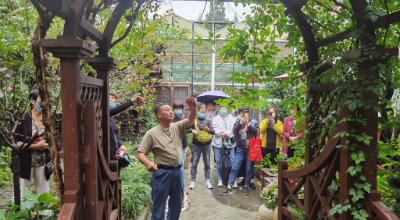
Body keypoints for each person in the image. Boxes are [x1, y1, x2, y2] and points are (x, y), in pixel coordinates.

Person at [137, 97, 196, 220]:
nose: (171, 112)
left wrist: (194, 108)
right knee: (159, 207)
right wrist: (148, 163)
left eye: (171, 110)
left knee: (176, 206)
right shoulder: (151, 133)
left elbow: (190, 120)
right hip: (162, 173)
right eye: (167, 110)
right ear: (159, 115)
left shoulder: (177, 127)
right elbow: (141, 153)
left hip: (177, 172)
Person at [15, 89, 51, 201]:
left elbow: (55, 139)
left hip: (43, 162)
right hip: (26, 162)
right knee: (22, 193)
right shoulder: (23, 119)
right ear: (33, 101)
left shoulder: (48, 120)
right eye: (41, 100)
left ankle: (46, 217)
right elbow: (16, 143)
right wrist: (36, 146)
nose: (44, 104)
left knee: (44, 195)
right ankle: (20, 217)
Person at [221, 108, 257, 196]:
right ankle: (229, 187)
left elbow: (256, 132)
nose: (244, 115)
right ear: (240, 114)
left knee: (248, 168)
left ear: (249, 114)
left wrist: (248, 124)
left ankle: (246, 186)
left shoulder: (253, 121)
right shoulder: (238, 122)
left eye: (246, 113)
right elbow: (234, 131)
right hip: (240, 148)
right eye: (242, 113)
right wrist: (241, 123)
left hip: (250, 149)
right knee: (235, 167)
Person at [109, 92, 144, 167]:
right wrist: (132, 101)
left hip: (114, 152)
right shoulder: (102, 113)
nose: (114, 101)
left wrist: (121, 145)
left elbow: (114, 134)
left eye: (115, 99)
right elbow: (116, 110)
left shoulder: (111, 118)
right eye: (112, 98)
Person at [189, 104, 215, 189]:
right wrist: (193, 131)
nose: (202, 113)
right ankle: (193, 181)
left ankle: (207, 180)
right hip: (196, 145)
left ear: (206, 112)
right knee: (194, 163)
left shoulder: (208, 121)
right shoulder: (194, 120)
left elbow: (213, 132)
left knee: (207, 163)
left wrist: (208, 129)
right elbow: (187, 129)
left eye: (204, 112)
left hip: (207, 145)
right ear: (198, 111)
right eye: (201, 112)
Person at [212, 105, 236, 187]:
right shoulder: (215, 119)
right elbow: (214, 129)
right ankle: (220, 179)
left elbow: (234, 129)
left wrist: (228, 134)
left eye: (224, 108)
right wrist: (221, 132)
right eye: (221, 108)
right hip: (218, 143)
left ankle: (232, 180)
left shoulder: (233, 119)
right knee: (218, 161)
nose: (223, 109)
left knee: (232, 161)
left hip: (230, 144)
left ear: (227, 109)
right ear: (219, 109)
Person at [172, 100, 188, 189]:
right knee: (174, 165)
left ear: (182, 109)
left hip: (182, 145)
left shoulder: (185, 119)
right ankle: (175, 183)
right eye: (176, 109)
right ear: (174, 109)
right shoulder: (171, 119)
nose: (178, 110)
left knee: (181, 165)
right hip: (173, 145)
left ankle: (181, 185)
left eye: (180, 109)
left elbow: (189, 128)